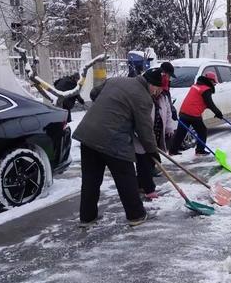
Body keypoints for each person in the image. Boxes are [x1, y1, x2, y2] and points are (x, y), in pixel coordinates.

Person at [73, 71, 162, 228]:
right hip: (113, 139)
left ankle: (87, 218)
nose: (156, 92)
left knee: (90, 180)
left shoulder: (115, 80)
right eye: (157, 88)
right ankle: (136, 216)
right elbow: (145, 130)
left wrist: (112, 107)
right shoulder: (143, 98)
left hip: (88, 134)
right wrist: (152, 150)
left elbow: (94, 93)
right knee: (125, 178)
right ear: (151, 84)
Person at [133, 68, 176, 200]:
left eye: (163, 88)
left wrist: (169, 129)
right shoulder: (144, 97)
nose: (161, 90)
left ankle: (139, 184)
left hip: (156, 133)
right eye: (159, 88)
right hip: (142, 135)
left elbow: (167, 113)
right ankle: (149, 189)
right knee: (144, 161)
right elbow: (140, 120)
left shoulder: (163, 97)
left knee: (151, 161)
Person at [169, 71, 223, 156]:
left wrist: (215, 111)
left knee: (181, 132)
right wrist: (218, 113)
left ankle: (173, 151)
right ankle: (200, 150)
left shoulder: (195, 86)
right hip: (193, 115)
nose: (215, 84)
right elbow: (209, 103)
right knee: (202, 131)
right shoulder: (206, 89)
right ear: (211, 81)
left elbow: (200, 101)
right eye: (214, 82)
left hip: (183, 112)